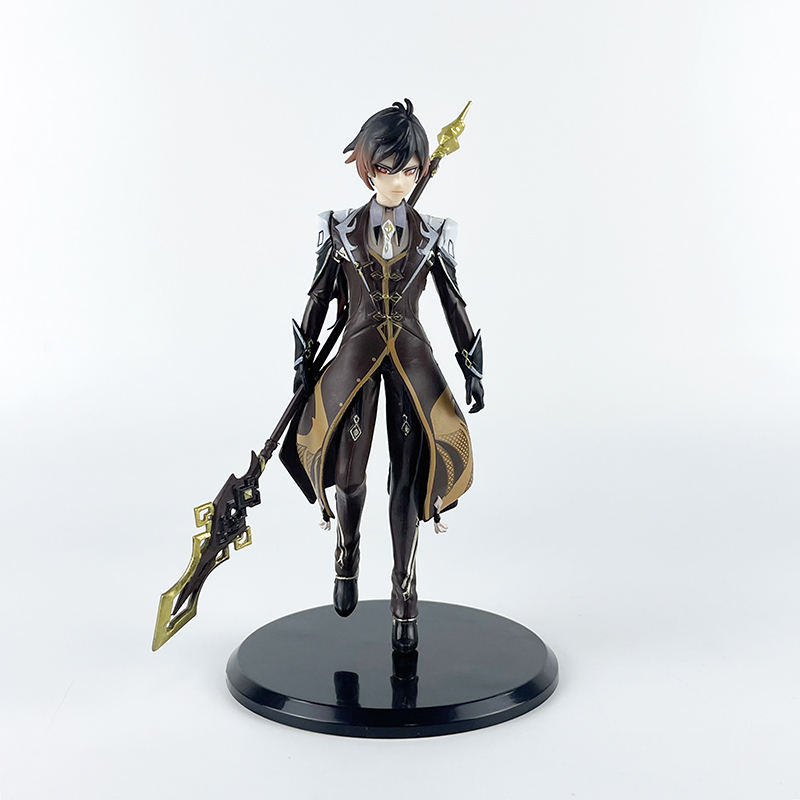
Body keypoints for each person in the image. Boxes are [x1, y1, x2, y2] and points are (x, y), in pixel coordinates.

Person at [280, 99, 484, 652]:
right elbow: (319, 297)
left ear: (421, 170)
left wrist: (471, 365)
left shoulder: (433, 233)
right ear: (368, 168)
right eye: (388, 169)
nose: (399, 182)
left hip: (412, 366)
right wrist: (302, 361)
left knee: (407, 483)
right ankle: (347, 548)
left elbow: (453, 302)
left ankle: (404, 589)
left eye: (410, 170)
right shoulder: (340, 229)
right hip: (355, 362)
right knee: (349, 474)